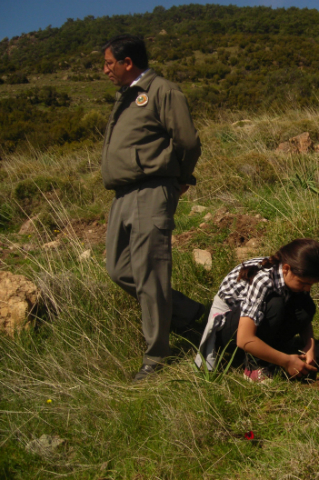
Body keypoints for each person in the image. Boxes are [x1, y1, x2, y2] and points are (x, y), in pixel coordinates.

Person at [101, 34, 204, 382]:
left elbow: (188, 140)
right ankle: (191, 314)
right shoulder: (126, 96)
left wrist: (180, 176)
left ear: (127, 62)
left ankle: (157, 355)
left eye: (109, 63)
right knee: (118, 270)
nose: (105, 71)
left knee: (151, 275)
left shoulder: (162, 90)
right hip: (122, 194)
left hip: (152, 191)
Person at [195, 239, 319, 382]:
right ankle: (253, 367)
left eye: (311, 285)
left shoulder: (291, 276)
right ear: (286, 269)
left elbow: (302, 314)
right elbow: (243, 339)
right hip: (228, 328)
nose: (307, 288)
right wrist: (286, 361)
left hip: (254, 322)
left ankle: (273, 352)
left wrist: (309, 345)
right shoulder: (263, 281)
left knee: (306, 305)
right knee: (275, 304)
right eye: (304, 283)